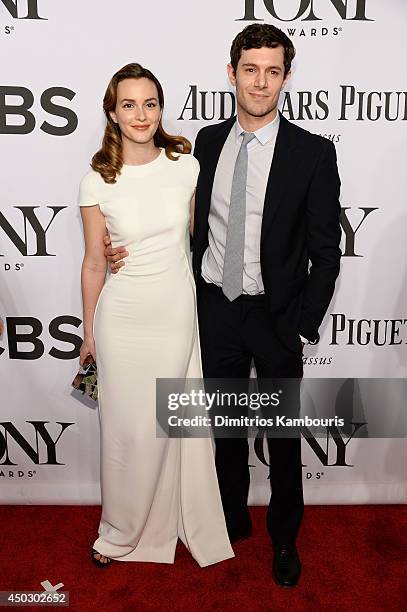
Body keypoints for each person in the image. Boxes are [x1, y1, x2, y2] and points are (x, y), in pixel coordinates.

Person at [105, 24, 341, 587]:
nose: (261, 81)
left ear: (286, 77)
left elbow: (326, 252)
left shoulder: (313, 152)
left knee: (282, 437)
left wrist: (303, 327)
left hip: (276, 316)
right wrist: (120, 249)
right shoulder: (202, 144)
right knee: (224, 430)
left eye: (273, 70)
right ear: (231, 72)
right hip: (215, 307)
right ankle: (229, 518)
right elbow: (158, 207)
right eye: (251, 68)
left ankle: (284, 535)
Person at [78, 62, 234, 568]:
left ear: (161, 108)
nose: (141, 114)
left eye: (150, 103)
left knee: (165, 422)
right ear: (112, 112)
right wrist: (88, 333)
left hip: (173, 311)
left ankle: (170, 519)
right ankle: (119, 530)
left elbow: (199, 237)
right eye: (129, 104)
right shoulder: (97, 180)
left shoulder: (184, 165)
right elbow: (94, 261)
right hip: (120, 318)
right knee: (124, 428)